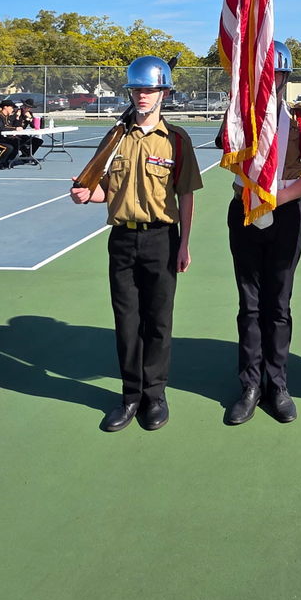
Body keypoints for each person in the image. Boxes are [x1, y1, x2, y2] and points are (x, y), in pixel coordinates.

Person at [70, 56, 202, 432]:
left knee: (158, 321)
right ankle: (131, 395)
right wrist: (86, 195)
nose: (142, 96)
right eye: (137, 90)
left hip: (162, 238)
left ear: (164, 93)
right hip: (123, 240)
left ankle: (155, 395)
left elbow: (187, 195)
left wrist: (185, 245)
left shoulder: (177, 139)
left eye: (150, 89)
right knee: (127, 322)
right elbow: (105, 191)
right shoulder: (115, 138)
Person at [223, 41, 301, 425]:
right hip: (246, 210)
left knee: (278, 303)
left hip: (285, 211)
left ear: (287, 77)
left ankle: (277, 383)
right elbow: (228, 151)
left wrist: (279, 197)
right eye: (266, 73)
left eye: (279, 73)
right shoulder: (239, 115)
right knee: (249, 304)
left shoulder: (300, 119)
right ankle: (250, 385)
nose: (273, 79)